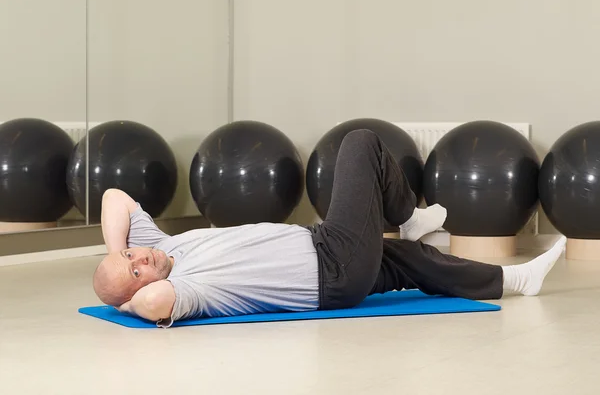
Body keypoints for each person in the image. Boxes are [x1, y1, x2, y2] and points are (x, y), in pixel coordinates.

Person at [92, 129, 566, 328]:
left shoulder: (158, 246)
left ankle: (516, 280)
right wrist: (128, 295)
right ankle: (408, 217)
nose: (140, 261)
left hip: (326, 251)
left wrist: (118, 260)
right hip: (331, 266)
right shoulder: (186, 290)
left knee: (413, 262)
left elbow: (114, 197)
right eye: (135, 271)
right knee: (360, 143)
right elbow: (153, 303)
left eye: (130, 257)